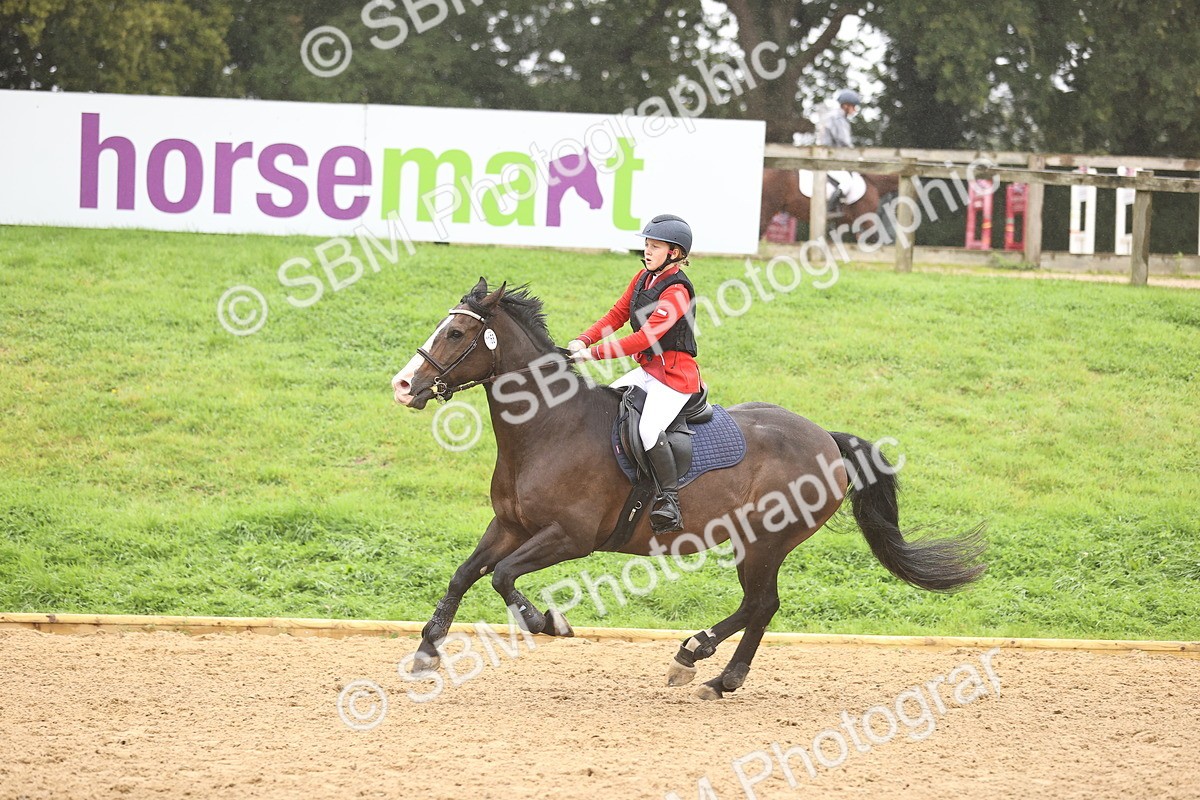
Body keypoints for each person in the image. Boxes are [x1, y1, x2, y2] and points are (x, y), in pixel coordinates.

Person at [567, 214, 700, 533]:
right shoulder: (643, 278)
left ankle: (669, 500)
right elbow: (617, 314)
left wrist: (594, 354)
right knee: (604, 406)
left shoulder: (677, 292)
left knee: (649, 430)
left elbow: (644, 339)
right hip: (648, 370)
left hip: (674, 377)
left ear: (674, 253)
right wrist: (585, 338)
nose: (647, 251)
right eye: (647, 244)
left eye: (655, 246)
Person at [816, 89, 861, 215]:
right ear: (845, 106)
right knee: (847, 182)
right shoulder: (837, 118)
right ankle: (830, 209)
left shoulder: (836, 117)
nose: (855, 110)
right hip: (830, 157)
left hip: (829, 155)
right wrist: (857, 157)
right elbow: (844, 142)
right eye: (853, 106)